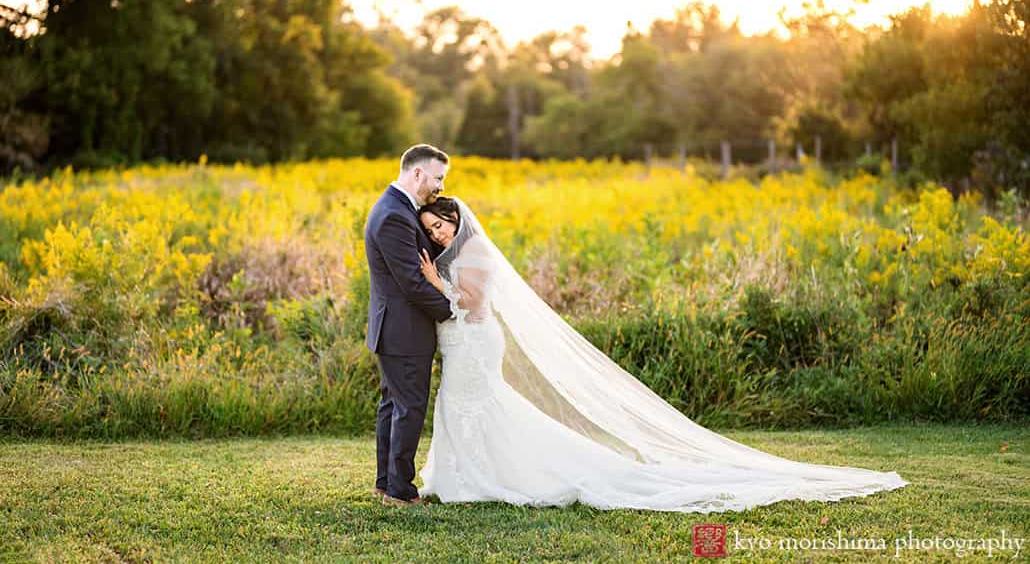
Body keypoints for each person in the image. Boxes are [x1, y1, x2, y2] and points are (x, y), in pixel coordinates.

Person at [414, 195, 909, 512]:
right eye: (431, 229)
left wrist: (436, 283)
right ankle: (467, 476)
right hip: (464, 343)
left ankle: (481, 478)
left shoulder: (474, 252)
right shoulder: (454, 252)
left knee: (476, 405)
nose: (437, 234)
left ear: (457, 219)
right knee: (471, 407)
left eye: (440, 225)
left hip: (475, 341)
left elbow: (473, 302)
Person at [363, 144, 454, 506]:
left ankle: (386, 483)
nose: (441, 187)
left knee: (394, 405)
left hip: (396, 328)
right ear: (417, 173)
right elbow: (412, 283)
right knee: (409, 408)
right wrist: (453, 310)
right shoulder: (394, 216)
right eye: (438, 178)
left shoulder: (396, 208)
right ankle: (400, 491)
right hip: (404, 331)